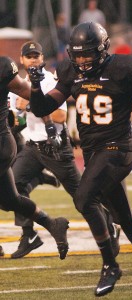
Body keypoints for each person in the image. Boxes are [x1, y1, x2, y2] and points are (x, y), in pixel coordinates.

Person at [28, 22, 132, 299]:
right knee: (122, 216)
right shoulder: (71, 73)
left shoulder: (121, 69)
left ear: (102, 50)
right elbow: (44, 107)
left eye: (87, 54)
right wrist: (34, 86)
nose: (81, 61)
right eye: (77, 55)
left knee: (83, 199)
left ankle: (110, 265)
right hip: (94, 152)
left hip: (119, 148)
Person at [8, 41, 120, 259]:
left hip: (55, 146)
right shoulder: (18, 84)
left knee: (82, 196)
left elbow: (61, 115)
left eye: (36, 56)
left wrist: (30, 105)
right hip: (32, 145)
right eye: (28, 56)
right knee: (14, 187)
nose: (32, 59)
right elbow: (17, 120)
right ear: (21, 60)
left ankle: (110, 224)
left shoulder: (49, 80)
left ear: (42, 58)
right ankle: (29, 234)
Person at [0, 55, 69, 260]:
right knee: (10, 200)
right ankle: (52, 224)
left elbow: (33, 97)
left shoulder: (3, 66)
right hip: (6, 142)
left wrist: (48, 123)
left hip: (1, 143)